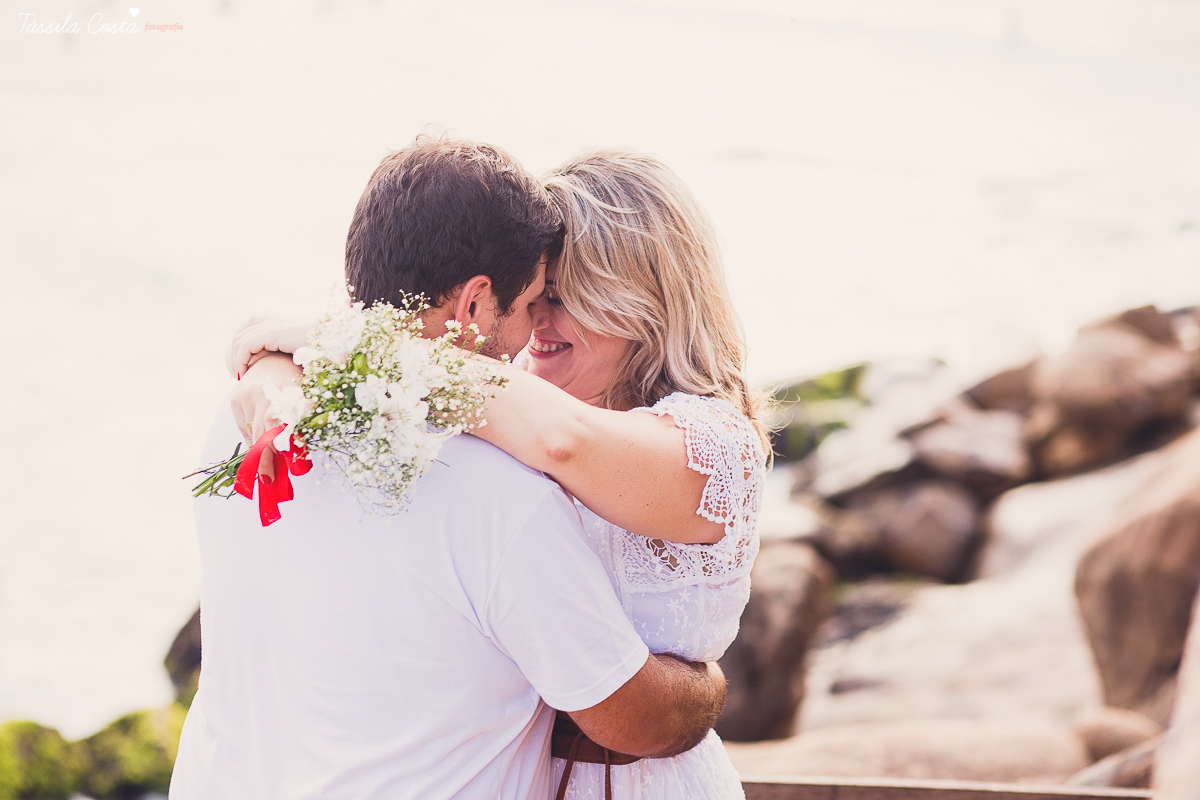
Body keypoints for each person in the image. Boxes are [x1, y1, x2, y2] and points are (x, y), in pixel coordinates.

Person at [170, 136, 728, 800]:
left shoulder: (239, 423)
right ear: (473, 305)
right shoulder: (499, 495)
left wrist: (298, 347)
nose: (533, 336)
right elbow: (633, 717)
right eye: (530, 305)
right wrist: (708, 685)